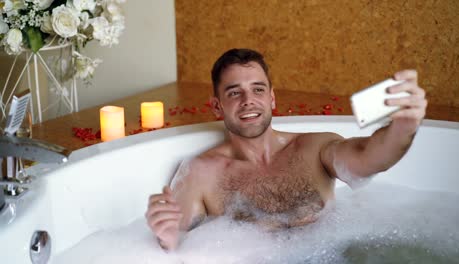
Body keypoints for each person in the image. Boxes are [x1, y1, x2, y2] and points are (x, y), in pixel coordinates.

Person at [145, 48, 427, 250]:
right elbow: (175, 244)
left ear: (272, 98)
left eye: (258, 90)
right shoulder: (201, 174)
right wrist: (167, 238)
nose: (248, 101)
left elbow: (371, 158)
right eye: (234, 93)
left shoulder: (315, 148)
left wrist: (403, 128)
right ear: (217, 106)